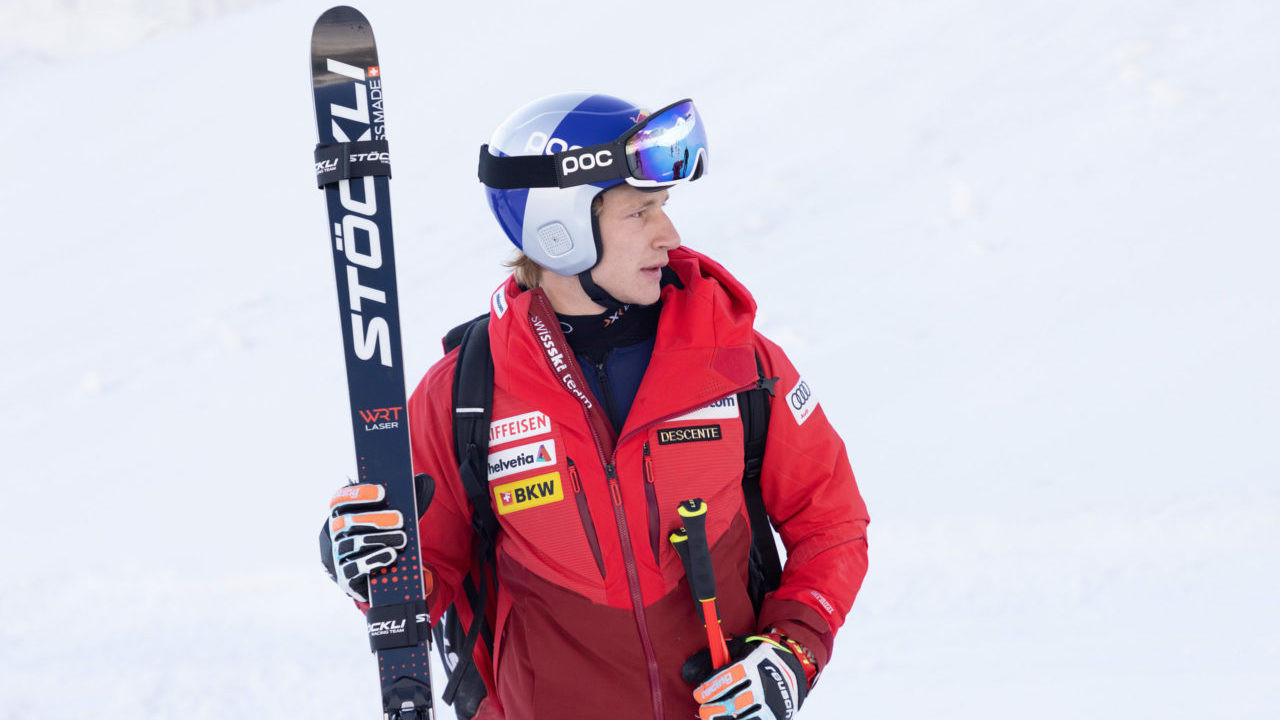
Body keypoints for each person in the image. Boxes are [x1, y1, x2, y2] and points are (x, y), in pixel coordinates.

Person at [322, 92, 870, 720]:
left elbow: (831, 523)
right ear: (557, 230)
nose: (669, 234)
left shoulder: (735, 361)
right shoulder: (463, 395)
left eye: (662, 207)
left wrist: (794, 648)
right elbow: (429, 578)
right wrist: (377, 566)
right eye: (639, 213)